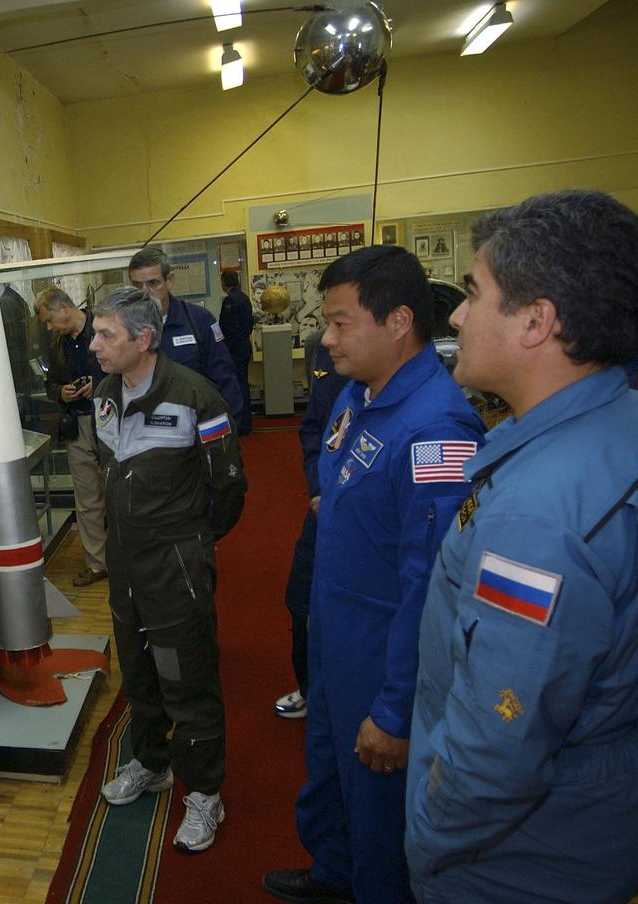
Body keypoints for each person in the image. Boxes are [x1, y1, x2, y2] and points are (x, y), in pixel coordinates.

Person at [405, 190, 638, 903]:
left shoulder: (536, 517)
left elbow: (496, 748)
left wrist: (427, 836)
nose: (456, 315)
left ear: (536, 321)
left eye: (474, 293)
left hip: (511, 862)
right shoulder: (614, 422)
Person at [263, 245, 485, 904]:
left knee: (380, 803)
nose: (326, 338)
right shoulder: (358, 396)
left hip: (386, 651)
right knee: (331, 769)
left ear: (398, 322)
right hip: (337, 633)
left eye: (340, 323)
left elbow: (434, 585)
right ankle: (336, 872)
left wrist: (395, 708)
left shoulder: (437, 429)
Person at [90, 286, 247, 853]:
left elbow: (228, 487)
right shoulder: (104, 395)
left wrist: (191, 543)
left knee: (187, 679)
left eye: (106, 334)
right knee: (138, 672)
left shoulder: (196, 397)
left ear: (143, 339)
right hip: (125, 564)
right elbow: (110, 470)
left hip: (175, 565)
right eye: (95, 332)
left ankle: (204, 791)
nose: (94, 344)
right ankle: (152, 763)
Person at [273, 334, 349, 720]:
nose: (330, 335)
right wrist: (318, 488)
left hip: (361, 518)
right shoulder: (325, 349)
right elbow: (316, 430)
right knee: (300, 599)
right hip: (323, 509)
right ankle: (309, 689)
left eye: (340, 321)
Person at [128, 248, 248, 433]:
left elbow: (225, 380)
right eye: (137, 285)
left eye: (153, 283)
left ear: (169, 281)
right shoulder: (123, 330)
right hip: (143, 438)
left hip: (195, 435)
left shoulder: (199, 321)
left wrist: (224, 436)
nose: (145, 292)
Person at [34, 286, 106, 587]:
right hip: (77, 425)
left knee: (120, 492)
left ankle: (129, 557)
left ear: (64, 307)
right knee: (87, 499)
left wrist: (98, 385)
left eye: (50, 320)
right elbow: (50, 383)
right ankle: (97, 562)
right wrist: (60, 393)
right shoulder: (56, 345)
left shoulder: (103, 327)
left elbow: (127, 368)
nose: (50, 327)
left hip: (110, 423)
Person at [218, 270, 255, 434]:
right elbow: (248, 324)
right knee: (243, 384)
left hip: (234, 349)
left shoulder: (230, 300)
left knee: (237, 387)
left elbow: (227, 329)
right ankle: (246, 422)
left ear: (224, 283)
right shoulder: (244, 298)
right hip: (244, 345)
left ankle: (241, 424)